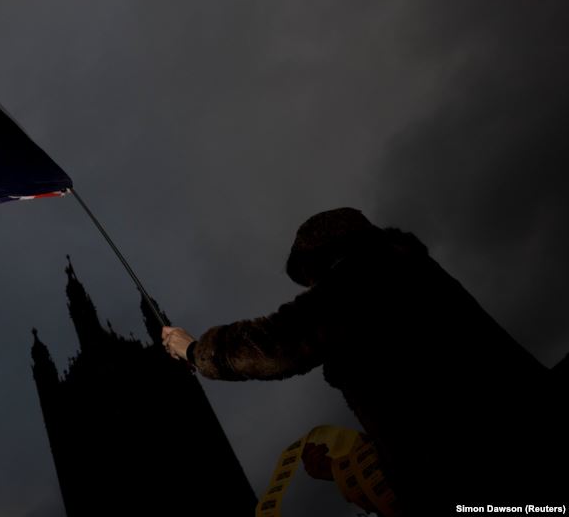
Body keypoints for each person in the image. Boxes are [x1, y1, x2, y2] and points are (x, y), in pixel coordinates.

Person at [161, 208, 555, 512]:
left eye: (312, 276)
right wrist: (342, 470)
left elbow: (277, 343)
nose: (314, 288)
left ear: (329, 254)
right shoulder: (406, 271)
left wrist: (194, 350)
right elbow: (424, 409)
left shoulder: (367, 276)